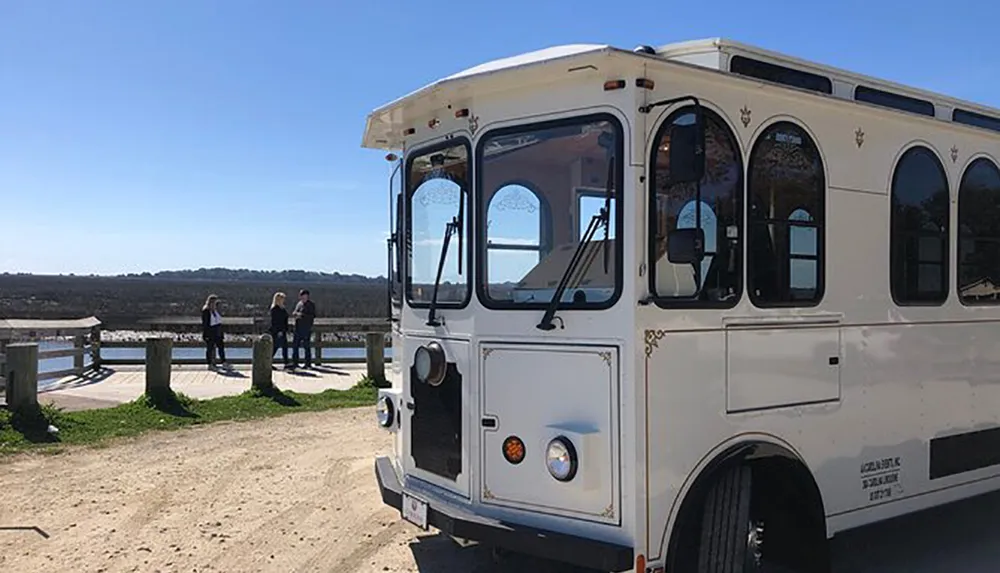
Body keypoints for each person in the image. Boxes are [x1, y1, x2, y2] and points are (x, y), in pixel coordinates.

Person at [290, 288, 316, 369]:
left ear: (307, 296)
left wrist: (301, 315)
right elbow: (294, 312)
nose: (303, 297)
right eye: (301, 296)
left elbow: (312, 316)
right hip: (297, 328)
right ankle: (295, 363)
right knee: (295, 346)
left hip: (306, 328)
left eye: (304, 296)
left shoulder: (311, 305)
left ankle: (308, 364)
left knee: (306, 347)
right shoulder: (299, 304)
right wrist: (295, 314)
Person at [201, 294, 228, 369]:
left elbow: (219, 321)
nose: (215, 304)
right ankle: (210, 364)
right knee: (210, 348)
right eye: (214, 302)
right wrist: (205, 334)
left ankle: (224, 362)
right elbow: (205, 324)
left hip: (218, 331)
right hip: (210, 332)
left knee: (221, 347)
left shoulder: (215, 311)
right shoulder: (206, 311)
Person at [269, 291, 290, 368]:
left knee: (285, 347)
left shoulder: (282, 308)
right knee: (275, 347)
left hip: (283, 330)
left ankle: (286, 362)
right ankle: (269, 362)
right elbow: (275, 321)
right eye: (282, 299)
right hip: (277, 331)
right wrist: (279, 331)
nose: (283, 300)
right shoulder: (275, 309)